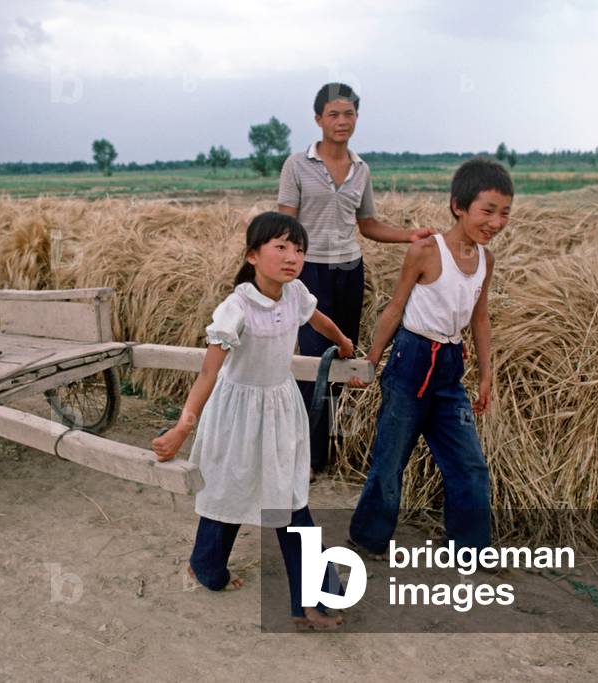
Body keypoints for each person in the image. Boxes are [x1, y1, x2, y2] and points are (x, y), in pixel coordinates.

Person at [152, 211, 354, 630]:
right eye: (280, 247)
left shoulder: (296, 292)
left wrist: (343, 343)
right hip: (237, 413)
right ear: (252, 255)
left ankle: (314, 598)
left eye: (298, 249)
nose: (292, 257)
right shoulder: (236, 308)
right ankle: (206, 569)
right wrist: (181, 429)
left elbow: (319, 319)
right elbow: (209, 373)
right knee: (229, 486)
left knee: (289, 497)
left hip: (279, 408)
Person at [347, 157, 514, 560]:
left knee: (469, 463)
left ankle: (469, 547)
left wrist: (486, 374)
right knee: (390, 460)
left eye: (504, 213)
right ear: (459, 206)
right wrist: (371, 359)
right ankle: (368, 539)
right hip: (410, 361)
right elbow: (395, 307)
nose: (495, 222)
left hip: (449, 368)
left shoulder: (485, 260)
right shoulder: (425, 251)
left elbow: (480, 315)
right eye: (487, 211)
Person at [278, 82, 434, 474]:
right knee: (313, 361)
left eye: (348, 114)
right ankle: (305, 455)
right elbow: (285, 224)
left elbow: (368, 225)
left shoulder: (361, 169)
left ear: (356, 119)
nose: (341, 121)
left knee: (343, 356)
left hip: (349, 270)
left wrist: (408, 235)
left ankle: (331, 450)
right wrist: (284, 270)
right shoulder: (297, 165)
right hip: (309, 270)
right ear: (318, 120)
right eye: (333, 114)